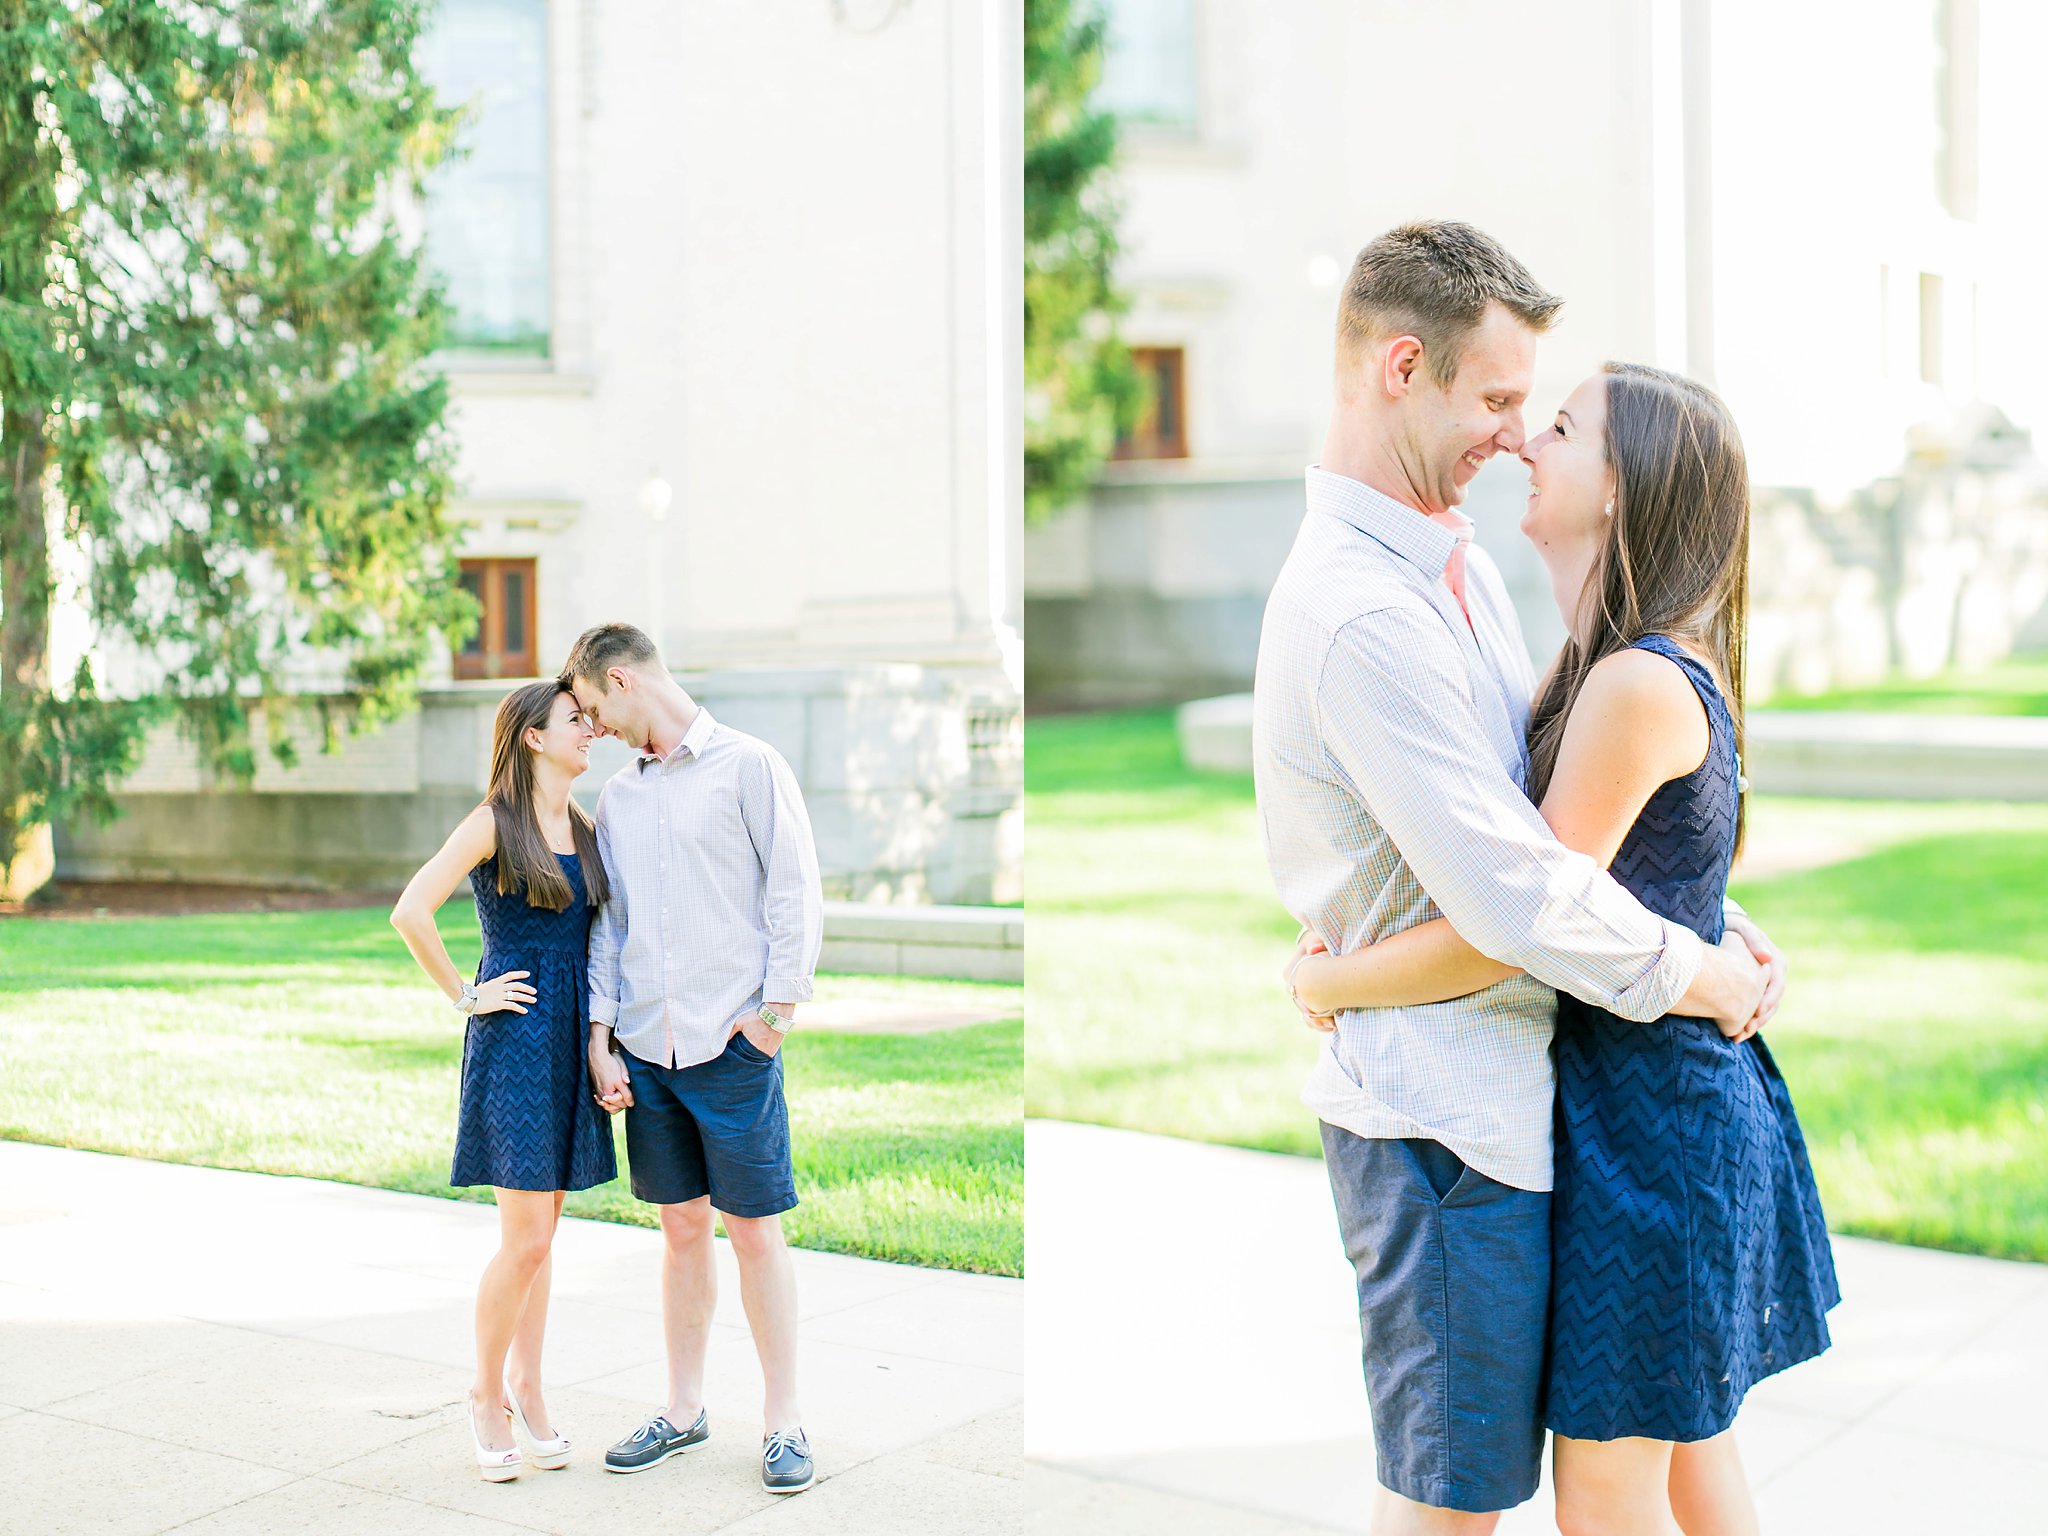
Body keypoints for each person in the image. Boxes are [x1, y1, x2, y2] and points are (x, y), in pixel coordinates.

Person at [1251, 221, 1786, 1535]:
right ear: (1399, 368)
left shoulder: (1458, 570)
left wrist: (1700, 923)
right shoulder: (1366, 611)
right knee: (1451, 1508)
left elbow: (1551, 847)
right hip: (1448, 1133)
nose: (1512, 433)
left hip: (1544, 1111)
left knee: (1619, 1478)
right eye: (1497, 401)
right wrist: (1695, 963)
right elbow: (1517, 901)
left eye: (1541, 417)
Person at [560, 622, 825, 1496]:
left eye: (594, 707)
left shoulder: (751, 766)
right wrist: (601, 1034)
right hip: (648, 1049)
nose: (592, 729)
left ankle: (783, 1420)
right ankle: (682, 1411)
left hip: (732, 1046)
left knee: (753, 1232)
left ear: (625, 679)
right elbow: (611, 925)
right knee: (680, 1231)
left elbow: (794, 893)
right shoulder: (622, 801)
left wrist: (773, 1020)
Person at [390, 680, 616, 1482]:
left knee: (543, 1239)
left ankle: (528, 1381)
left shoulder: (586, 829)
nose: (590, 731)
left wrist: (603, 1043)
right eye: (574, 721)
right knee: (523, 1241)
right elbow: (411, 911)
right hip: (515, 1041)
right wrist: (464, 994)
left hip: (569, 1044)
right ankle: (486, 1394)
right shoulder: (493, 823)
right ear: (531, 737)